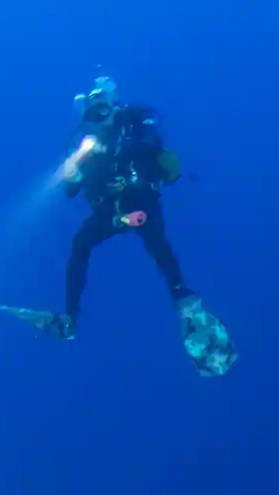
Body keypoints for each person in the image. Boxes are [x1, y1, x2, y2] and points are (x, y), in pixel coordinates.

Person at [51, 76, 195, 339]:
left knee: (157, 243)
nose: (100, 118)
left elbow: (153, 139)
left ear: (112, 106)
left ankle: (183, 297)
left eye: (103, 110)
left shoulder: (133, 121)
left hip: (142, 200)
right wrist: (72, 176)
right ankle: (70, 316)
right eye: (93, 115)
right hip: (108, 211)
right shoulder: (83, 143)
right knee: (80, 245)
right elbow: (70, 192)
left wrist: (118, 148)